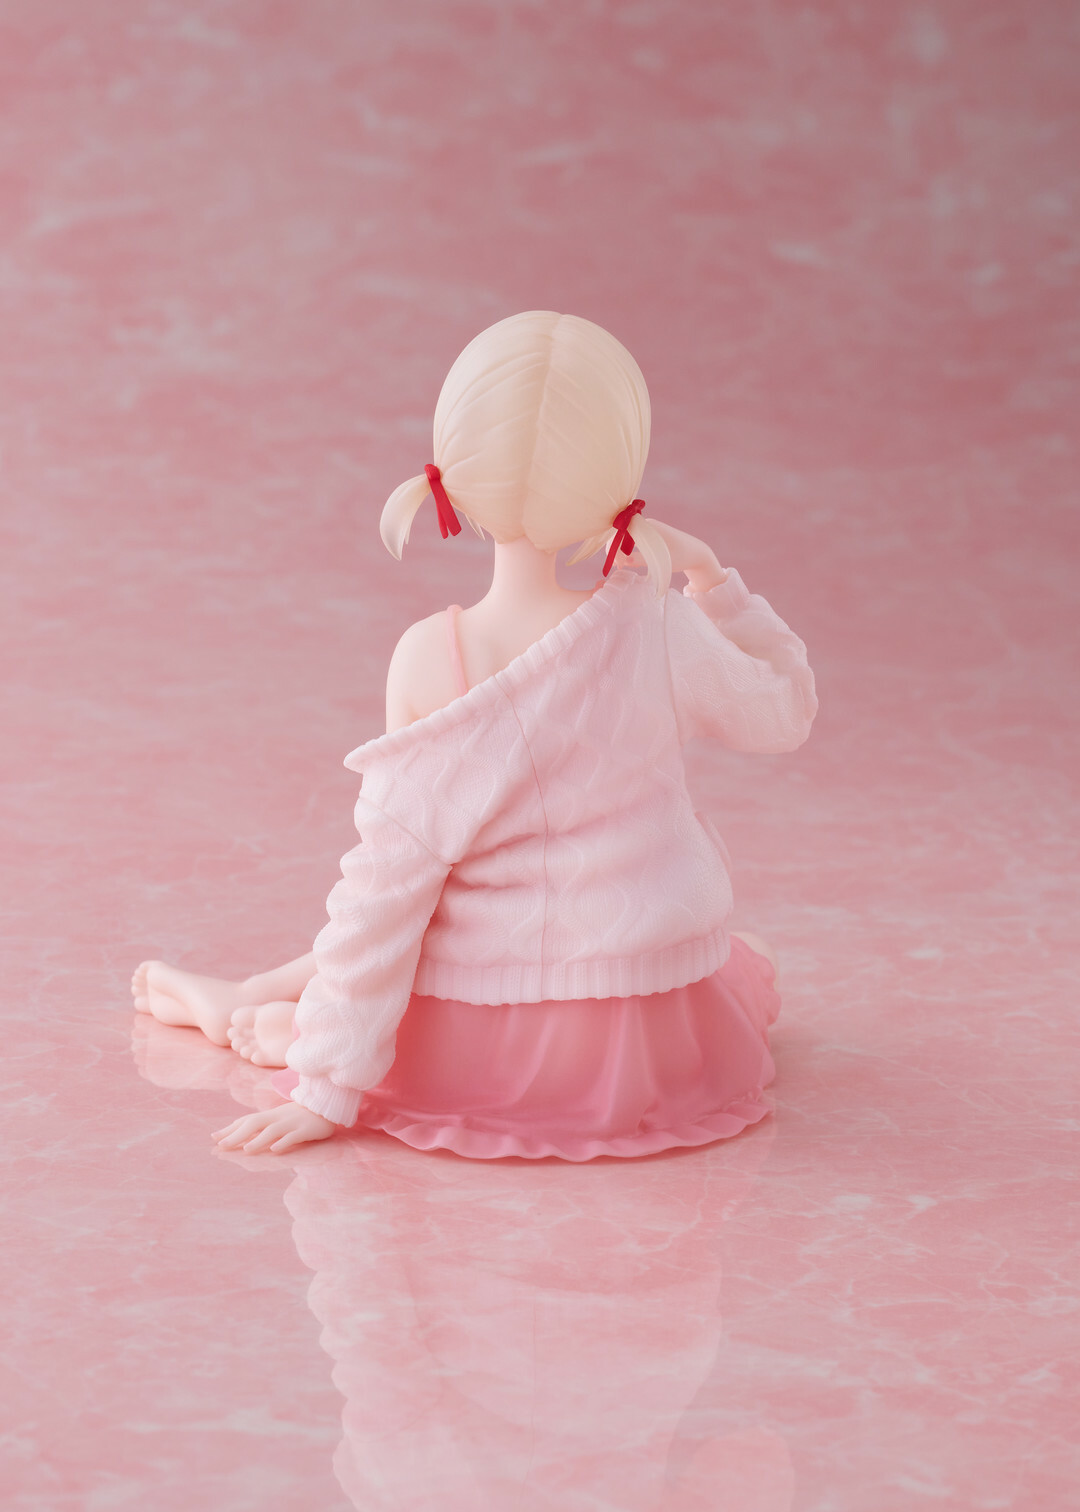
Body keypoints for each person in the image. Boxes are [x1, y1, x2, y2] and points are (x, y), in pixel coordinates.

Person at [132, 311, 818, 1158]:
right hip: (638, 1035)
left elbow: (388, 888)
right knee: (739, 960)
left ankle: (271, 1014)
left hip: (492, 1042)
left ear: (450, 473)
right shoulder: (660, 627)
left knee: (425, 903)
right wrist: (711, 578)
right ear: (620, 479)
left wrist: (327, 1085)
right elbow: (785, 709)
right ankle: (256, 997)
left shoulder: (432, 656)